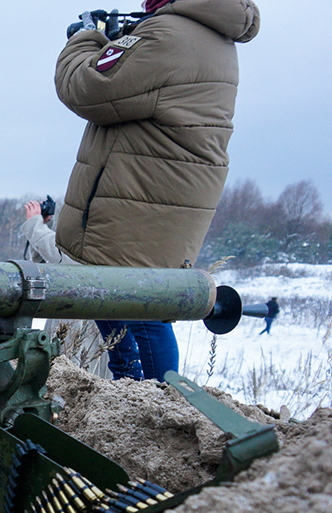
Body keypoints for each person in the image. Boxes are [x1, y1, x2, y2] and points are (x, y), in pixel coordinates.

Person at [54, 0, 260, 381]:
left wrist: (85, 39)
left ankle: (159, 406)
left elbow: (85, 87)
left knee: (141, 307)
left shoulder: (169, 36)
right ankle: (135, 393)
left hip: (142, 198)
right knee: (124, 297)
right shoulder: (200, 34)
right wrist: (121, 41)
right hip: (155, 195)